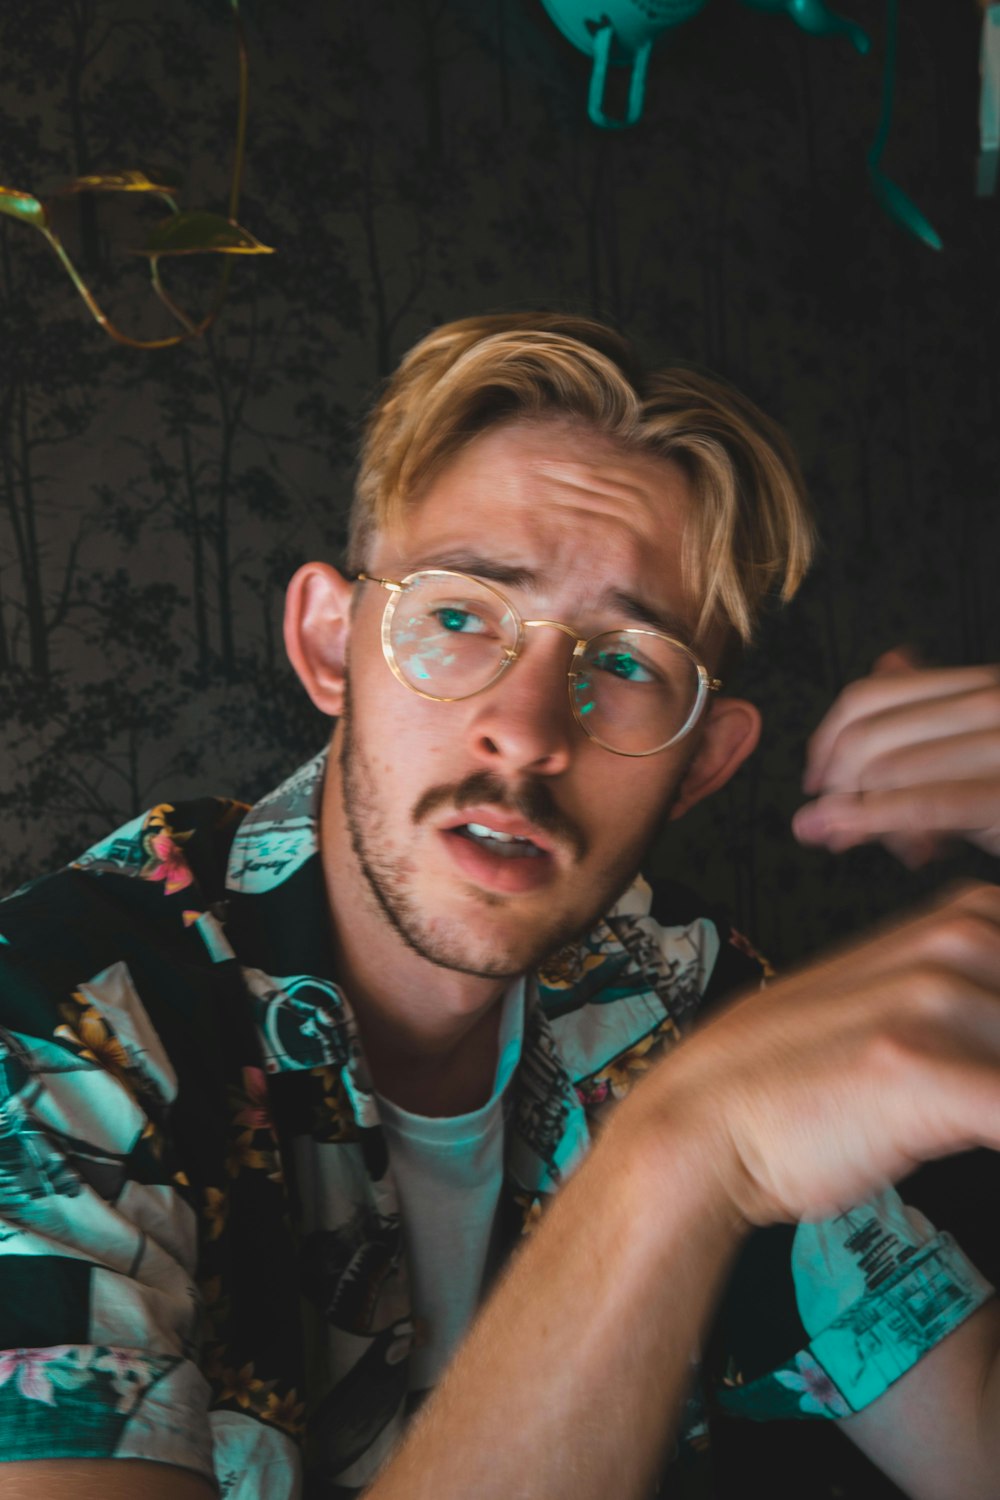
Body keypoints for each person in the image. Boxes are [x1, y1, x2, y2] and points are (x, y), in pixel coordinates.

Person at [0, 313, 998, 1500]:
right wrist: (678, 1158)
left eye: (626, 663)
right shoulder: (58, 1025)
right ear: (333, 646)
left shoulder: (679, 996)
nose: (525, 733)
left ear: (706, 762)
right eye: (462, 614)